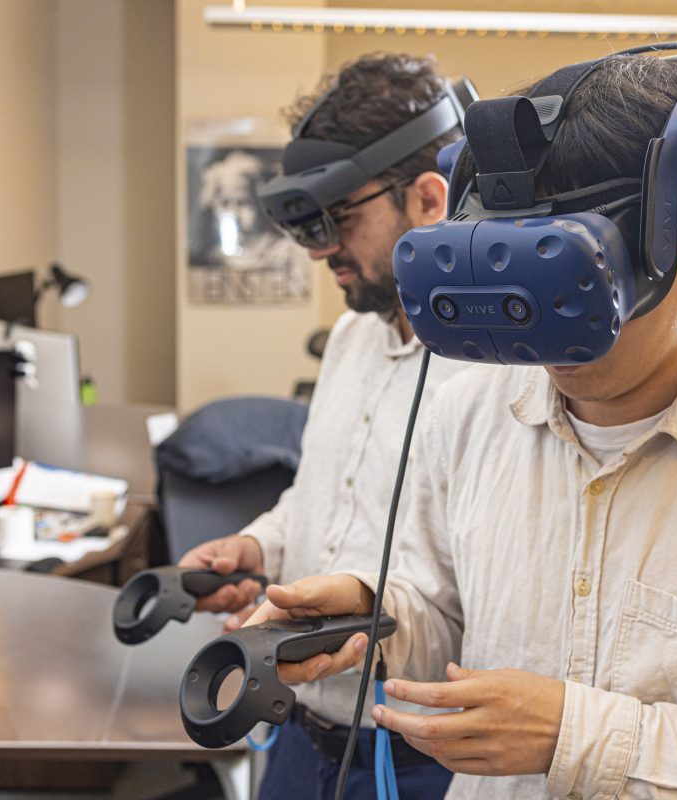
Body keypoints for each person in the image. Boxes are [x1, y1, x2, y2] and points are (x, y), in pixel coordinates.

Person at [244, 53, 677, 798]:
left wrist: (575, 735)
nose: (545, 338)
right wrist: (377, 614)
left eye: (575, 285)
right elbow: (448, 620)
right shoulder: (468, 415)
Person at [179, 53, 472, 800]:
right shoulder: (350, 339)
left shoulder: (500, 374)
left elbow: (494, 605)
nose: (318, 251)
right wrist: (261, 545)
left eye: (340, 219)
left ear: (429, 200)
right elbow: (321, 498)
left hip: (416, 761)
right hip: (300, 740)